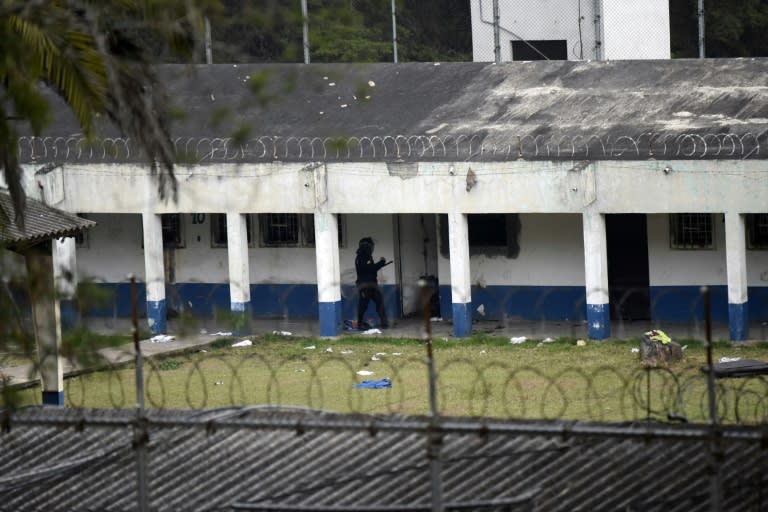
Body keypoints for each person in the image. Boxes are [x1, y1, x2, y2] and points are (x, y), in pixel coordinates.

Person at [355, 237, 391, 329]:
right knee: (363, 305)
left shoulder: (367, 256)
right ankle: (359, 323)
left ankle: (384, 323)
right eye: (371, 246)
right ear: (366, 247)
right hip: (364, 286)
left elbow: (372, 269)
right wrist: (381, 263)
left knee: (379, 302)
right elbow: (370, 269)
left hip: (372, 285)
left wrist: (380, 264)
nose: (372, 248)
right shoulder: (360, 258)